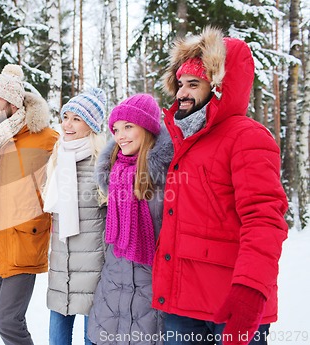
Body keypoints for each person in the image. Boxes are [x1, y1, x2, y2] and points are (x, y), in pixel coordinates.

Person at [151, 27, 288, 345]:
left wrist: (250, 292)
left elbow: (265, 220)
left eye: (194, 84)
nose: (182, 93)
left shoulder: (247, 136)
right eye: (180, 84)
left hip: (230, 308)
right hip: (181, 306)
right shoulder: (182, 141)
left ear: (219, 87)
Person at [0, 64, 59, 345]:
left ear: (13, 101)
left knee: (7, 322)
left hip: (24, 241)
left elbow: (63, 180)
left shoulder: (45, 138)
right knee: (9, 321)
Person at [87, 94, 174, 345]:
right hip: (112, 293)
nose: (120, 135)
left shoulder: (169, 175)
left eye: (128, 127)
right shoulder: (113, 173)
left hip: (152, 292)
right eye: (115, 129)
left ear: (146, 128)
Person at [43, 88, 108, 345]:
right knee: (57, 339)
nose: (67, 124)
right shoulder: (57, 159)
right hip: (61, 268)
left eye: (76, 119)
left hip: (94, 267)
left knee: (92, 339)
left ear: (91, 125)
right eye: (65, 117)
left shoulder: (102, 162)